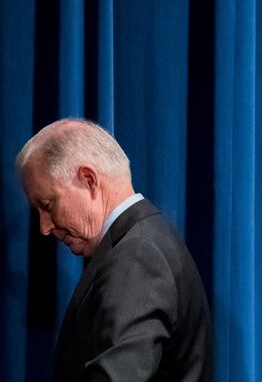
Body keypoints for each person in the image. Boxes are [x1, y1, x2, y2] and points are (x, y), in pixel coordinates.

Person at [16, 118, 212, 381]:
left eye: (48, 205)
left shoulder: (138, 255)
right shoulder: (143, 240)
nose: (44, 227)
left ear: (88, 180)